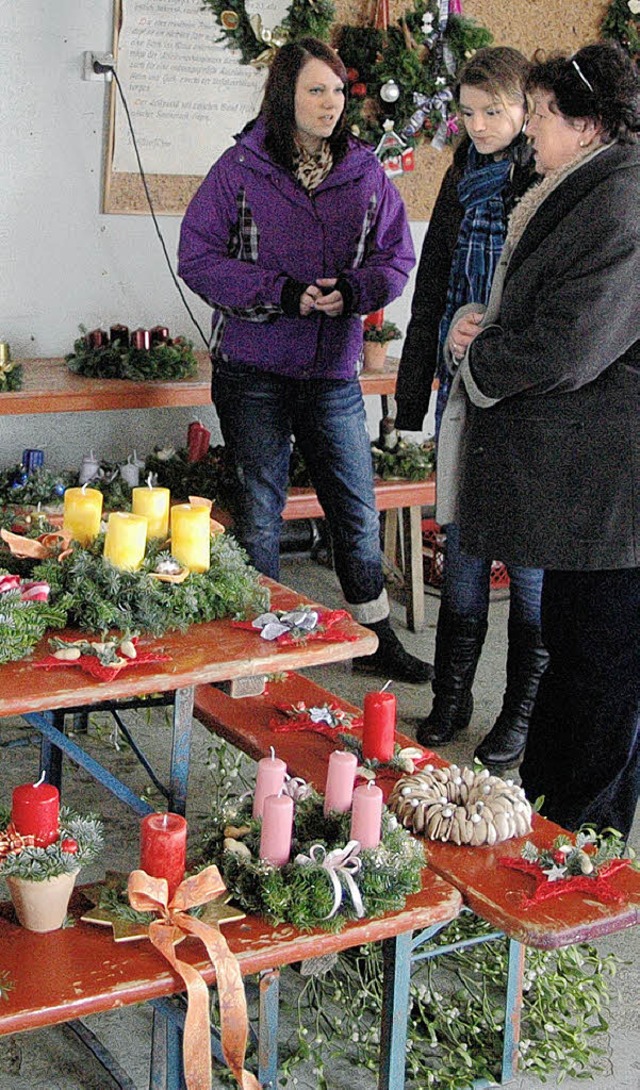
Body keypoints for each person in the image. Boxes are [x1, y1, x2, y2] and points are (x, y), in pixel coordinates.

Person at [178, 37, 432, 684]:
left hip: (331, 372)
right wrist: (281, 293)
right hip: (253, 370)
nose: (330, 103)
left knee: (354, 505)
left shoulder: (365, 172)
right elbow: (199, 257)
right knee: (260, 512)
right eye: (316, 90)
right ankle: (260, 646)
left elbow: (395, 258)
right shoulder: (239, 168)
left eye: (339, 91)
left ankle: (373, 637)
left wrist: (353, 291)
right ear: (285, 95)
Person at [444, 42, 640, 840]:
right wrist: (481, 325)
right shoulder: (590, 184)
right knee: (575, 659)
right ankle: (551, 830)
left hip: (615, 495)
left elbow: (570, 342)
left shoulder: (623, 201)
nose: (531, 131)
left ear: (588, 124)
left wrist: (479, 354)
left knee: (601, 679)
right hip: (586, 492)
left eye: (546, 115)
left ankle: (582, 858)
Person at [395, 47, 547, 765]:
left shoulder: (545, 178)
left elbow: (547, 296)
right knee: (461, 544)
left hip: (527, 398)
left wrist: (491, 325)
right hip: (463, 387)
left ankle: (521, 711)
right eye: (468, 111)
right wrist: (449, 332)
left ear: (527, 111)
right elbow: (436, 279)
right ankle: (451, 698)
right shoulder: (461, 173)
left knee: (528, 561)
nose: (479, 124)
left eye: (495, 111)